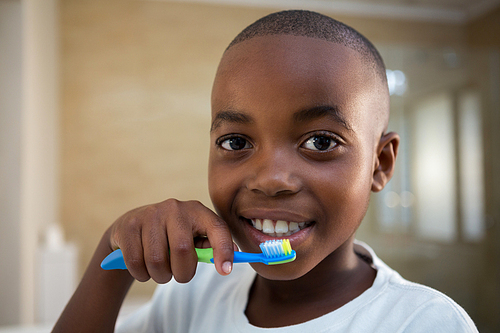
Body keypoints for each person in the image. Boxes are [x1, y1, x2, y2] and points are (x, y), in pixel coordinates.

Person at [53, 10, 478, 332]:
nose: (271, 179)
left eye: (321, 142)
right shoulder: (197, 291)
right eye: (235, 142)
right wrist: (112, 260)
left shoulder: (423, 322)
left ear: (380, 164)